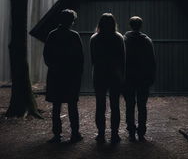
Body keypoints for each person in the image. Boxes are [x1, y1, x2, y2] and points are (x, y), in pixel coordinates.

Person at [43, 9, 84, 143]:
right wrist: (78, 74)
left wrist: (54, 67)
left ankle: (57, 135)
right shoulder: (74, 36)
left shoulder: (52, 35)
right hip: (71, 77)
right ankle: (75, 133)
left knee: (56, 106)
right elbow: (80, 58)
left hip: (56, 76)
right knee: (72, 106)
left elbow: (46, 56)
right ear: (71, 21)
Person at [90, 13, 125, 144]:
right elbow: (123, 59)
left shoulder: (94, 38)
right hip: (115, 75)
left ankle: (101, 134)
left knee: (100, 106)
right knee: (115, 106)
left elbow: (93, 59)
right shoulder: (118, 38)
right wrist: (122, 76)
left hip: (99, 75)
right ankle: (114, 134)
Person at [123, 16, 156, 142]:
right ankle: (141, 131)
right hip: (143, 78)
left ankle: (131, 130)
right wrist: (151, 77)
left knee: (129, 105)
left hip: (128, 78)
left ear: (130, 25)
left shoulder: (125, 40)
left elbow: (122, 60)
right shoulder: (147, 41)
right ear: (140, 26)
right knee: (142, 106)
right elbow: (152, 61)